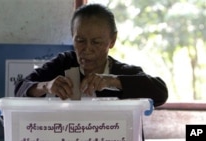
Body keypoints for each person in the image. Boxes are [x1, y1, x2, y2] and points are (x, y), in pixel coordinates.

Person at [15, 4, 168, 107]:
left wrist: (112, 82)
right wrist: (46, 86)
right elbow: (20, 88)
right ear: (72, 37)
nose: (87, 49)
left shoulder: (123, 72)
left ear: (112, 40)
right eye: (80, 41)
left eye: (96, 42)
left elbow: (160, 93)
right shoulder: (63, 64)